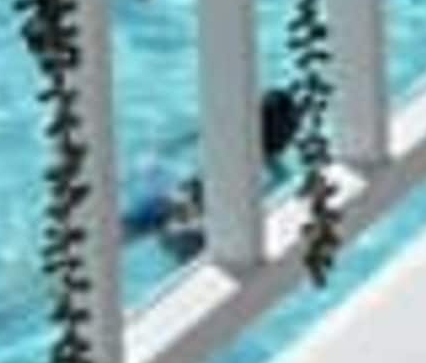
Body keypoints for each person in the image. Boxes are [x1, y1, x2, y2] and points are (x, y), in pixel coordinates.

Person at [121, 86, 302, 260]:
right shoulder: (276, 174)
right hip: (199, 229)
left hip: (177, 203)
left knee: (133, 226)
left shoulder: (227, 136)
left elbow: (166, 149)